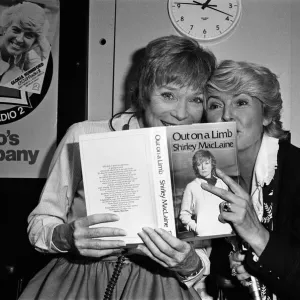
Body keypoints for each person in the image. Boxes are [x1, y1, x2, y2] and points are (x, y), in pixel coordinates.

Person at [19, 35, 216, 300]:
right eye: (168, 95)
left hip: (160, 288)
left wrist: (188, 262)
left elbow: (201, 258)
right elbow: (41, 222)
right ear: (144, 93)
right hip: (80, 283)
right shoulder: (84, 134)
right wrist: (66, 237)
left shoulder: (202, 153)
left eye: (196, 100)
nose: (181, 113)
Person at [201, 59, 300, 300]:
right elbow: (220, 274)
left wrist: (255, 234)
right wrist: (235, 267)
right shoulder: (210, 174)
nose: (226, 115)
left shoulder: (296, 171)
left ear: (266, 115)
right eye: (215, 105)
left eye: (241, 102)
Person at [179, 150, 233, 238]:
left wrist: (229, 223)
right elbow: (184, 214)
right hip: (204, 236)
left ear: (212, 164)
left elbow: (228, 207)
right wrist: (197, 228)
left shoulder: (223, 183)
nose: (203, 167)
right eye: (199, 164)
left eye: (206, 163)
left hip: (226, 234)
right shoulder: (191, 186)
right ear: (196, 167)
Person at [0, 2, 50, 84]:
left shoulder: (29, 55)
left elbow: (45, 81)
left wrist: (45, 51)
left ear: (35, 42)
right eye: (16, 30)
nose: (19, 39)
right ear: (5, 29)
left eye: (29, 35)